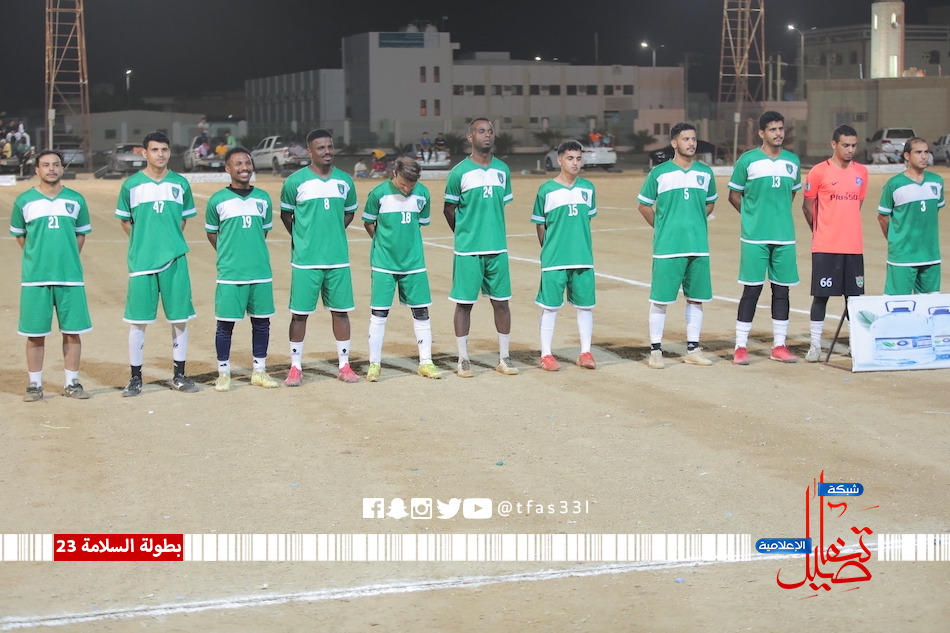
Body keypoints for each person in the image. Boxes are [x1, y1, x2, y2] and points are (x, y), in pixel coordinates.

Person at [116, 131, 199, 396]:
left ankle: (179, 375)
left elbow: (183, 220)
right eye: (155, 150)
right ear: (144, 153)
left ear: (169, 152)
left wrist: (168, 242)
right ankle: (135, 377)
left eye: (164, 149)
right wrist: (144, 242)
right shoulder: (131, 185)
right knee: (138, 321)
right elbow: (125, 220)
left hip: (175, 260)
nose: (160, 154)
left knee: (179, 319)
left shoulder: (180, 184)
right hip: (142, 262)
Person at [10, 150, 92, 402]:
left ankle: (72, 383)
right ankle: (34, 385)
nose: (51, 169)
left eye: (56, 164)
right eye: (46, 165)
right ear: (37, 170)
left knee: (72, 332)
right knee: (35, 334)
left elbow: (80, 234)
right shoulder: (24, 201)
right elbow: (20, 235)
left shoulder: (76, 199)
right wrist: (37, 257)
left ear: (62, 168)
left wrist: (68, 258)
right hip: (36, 278)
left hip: (70, 277)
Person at [280, 129, 360, 385]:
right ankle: (295, 367)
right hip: (306, 261)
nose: (327, 151)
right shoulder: (295, 181)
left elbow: (349, 212)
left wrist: (333, 232)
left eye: (330, 147)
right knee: (299, 314)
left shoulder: (344, 180)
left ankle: (344, 365)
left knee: (341, 312)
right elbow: (286, 215)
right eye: (321, 148)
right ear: (309, 151)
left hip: (337, 259)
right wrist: (303, 237)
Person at [637, 123, 718, 368]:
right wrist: (661, 227)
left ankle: (693, 349)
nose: (691, 143)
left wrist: (695, 221)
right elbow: (643, 205)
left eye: (693, 139)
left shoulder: (705, 173)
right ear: (674, 143)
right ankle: (655, 350)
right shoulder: (659, 173)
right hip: (668, 248)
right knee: (660, 299)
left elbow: (710, 203)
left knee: (696, 299)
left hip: (698, 246)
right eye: (686, 139)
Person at [443, 117, 516, 377]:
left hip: (497, 248)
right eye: (481, 131)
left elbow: (499, 205)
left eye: (490, 131)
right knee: (464, 304)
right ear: (470, 137)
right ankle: (463, 359)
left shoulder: (502, 170)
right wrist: (464, 233)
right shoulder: (459, 172)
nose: (487, 135)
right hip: (468, 251)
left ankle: (504, 358)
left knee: (502, 303)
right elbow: (448, 209)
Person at [727, 111, 802, 365]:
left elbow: (791, 194)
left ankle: (779, 345)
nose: (778, 133)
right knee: (752, 290)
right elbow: (734, 196)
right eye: (772, 129)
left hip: (784, 237)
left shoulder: (792, 161)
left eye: (780, 128)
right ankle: (740, 347)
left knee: (782, 291)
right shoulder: (748, 161)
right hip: (755, 238)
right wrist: (752, 217)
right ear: (761, 133)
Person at [205, 147, 280, 391]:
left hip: (260, 271)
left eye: (247, 163)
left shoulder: (263, 198)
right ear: (227, 168)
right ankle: (223, 372)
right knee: (225, 325)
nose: (244, 167)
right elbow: (212, 233)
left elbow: (263, 231)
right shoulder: (217, 200)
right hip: (230, 273)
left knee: (261, 323)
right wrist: (229, 254)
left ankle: (259, 371)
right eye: (238, 164)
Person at [361, 157, 442, 381]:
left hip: (414, 262)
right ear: (394, 173)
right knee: (379, 313)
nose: (407, 189)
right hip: (384, 263)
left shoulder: (423, 194)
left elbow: (420, 223)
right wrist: (381, 243)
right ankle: (374, 364)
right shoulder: (378, 194)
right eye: (403, 184)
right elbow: (368, 222)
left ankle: (426, 362)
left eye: (411, 186)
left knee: (421, 311)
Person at [801, 125, 869, 362]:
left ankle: (854, 345)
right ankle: (815, 346)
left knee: (854, 300)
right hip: (826, 246)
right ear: (834, 144)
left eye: (853, 145)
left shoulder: (862, 172)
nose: (850, 150)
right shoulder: (819, 172)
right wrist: (821, 230)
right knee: (821, 296)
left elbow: (857, 204)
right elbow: (807, 207)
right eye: (845, 145)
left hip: (853, 247)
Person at [532, 140, 598, 371]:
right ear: (560, 160)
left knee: (585, 306)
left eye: (578, 158)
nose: (575, 163)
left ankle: (585, 352)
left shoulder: (588, 188)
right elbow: (540, 225)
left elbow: (586, 221)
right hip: (554, 259)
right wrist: (550, 248)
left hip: (582, 257)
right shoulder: (546, 190)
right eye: (570, 158)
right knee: (550, 307)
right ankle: (546, 354)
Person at [878, 138, 945, 295]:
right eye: (918, 152)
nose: (924, 156)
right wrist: (895, 239)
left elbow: (932, 212)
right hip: (902, 257)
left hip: (931, 255)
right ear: (907, 156)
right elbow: (882, 217)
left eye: (926, 152)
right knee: (897, 304)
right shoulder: (894, 184)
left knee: (929, 305)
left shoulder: (937, 182)